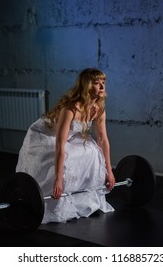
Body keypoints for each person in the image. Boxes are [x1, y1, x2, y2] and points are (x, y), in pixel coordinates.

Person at [16, 68, 116, 224]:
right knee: (64, 158)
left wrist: (109, 172)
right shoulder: (70, 109)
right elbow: (59, 144)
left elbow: (103, 140)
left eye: (103, 83)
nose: (102, 87)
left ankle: (81, 198)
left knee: (93, 151)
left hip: (70, 136)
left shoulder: (99, 110)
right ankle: (48, 196)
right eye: (97, 83)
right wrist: (58, 179)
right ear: (87, 86)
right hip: (46, 135)